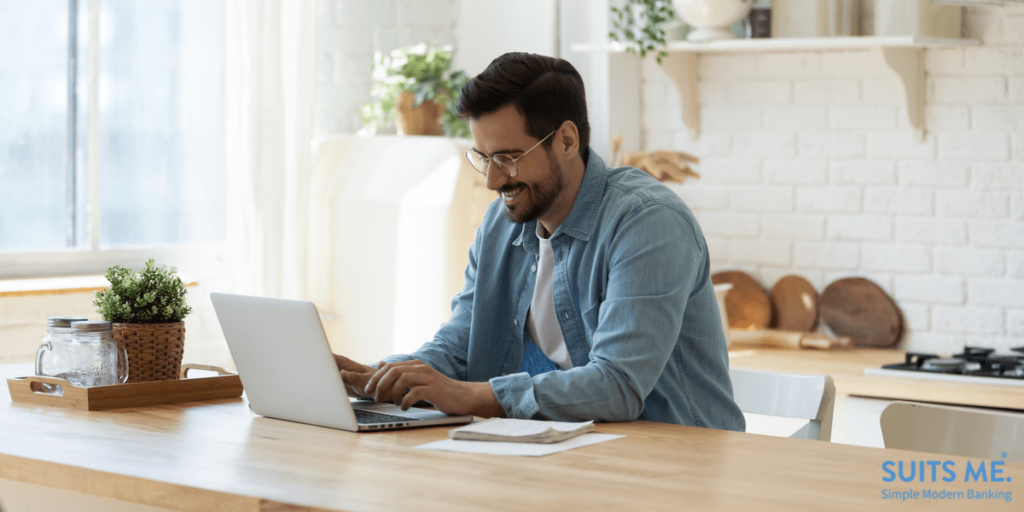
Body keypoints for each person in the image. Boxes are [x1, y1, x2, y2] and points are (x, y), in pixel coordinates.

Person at [335, 52, 744, 430]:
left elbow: (618, 385)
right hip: (576, 454)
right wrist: (378, 377)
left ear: (566, 141)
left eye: (507, 158)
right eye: (483, 158)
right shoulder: (501, 223)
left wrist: (470, 396)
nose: (493, 181)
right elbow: (461, 345)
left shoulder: (647, 223)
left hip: (680, 465)